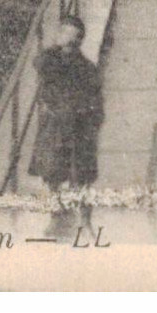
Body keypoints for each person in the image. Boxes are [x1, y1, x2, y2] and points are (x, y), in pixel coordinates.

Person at [29, 14, 104, 196]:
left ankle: (73, 196)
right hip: (55, 121)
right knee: (52, 167)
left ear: (79, 41)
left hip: (78, 124)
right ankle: (54, 195)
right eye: (65, 34)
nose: (69, 41)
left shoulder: (86, 68)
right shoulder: (49, 59)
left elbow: (95, 99)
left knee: (78, 170)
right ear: (58, 35)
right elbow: (40, 65)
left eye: (74, 38)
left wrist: (92, 119)